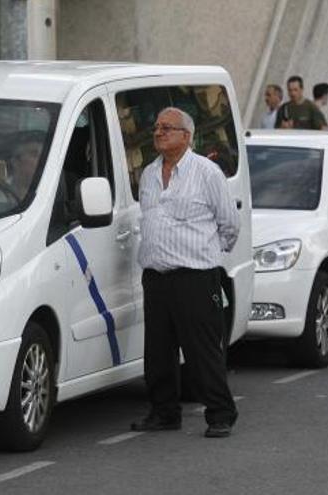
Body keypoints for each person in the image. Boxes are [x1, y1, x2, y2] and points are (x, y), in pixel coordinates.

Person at [131, 107, 240, 439]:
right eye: (156, 128)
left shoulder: (207, 172)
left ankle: (220, 413)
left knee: (202, 350)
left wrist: (204, 255)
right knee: (158, 351)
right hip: (156, 276)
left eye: (168, 128)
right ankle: (164, 412)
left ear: (186, 135)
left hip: (195, 276)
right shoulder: (149, 174)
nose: (159, 133)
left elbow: (229, 225)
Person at [8, 131, 45, 198]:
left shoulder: (51, 192)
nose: (42, 160)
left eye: (43, 155)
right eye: (34, 154)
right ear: (15, 162)